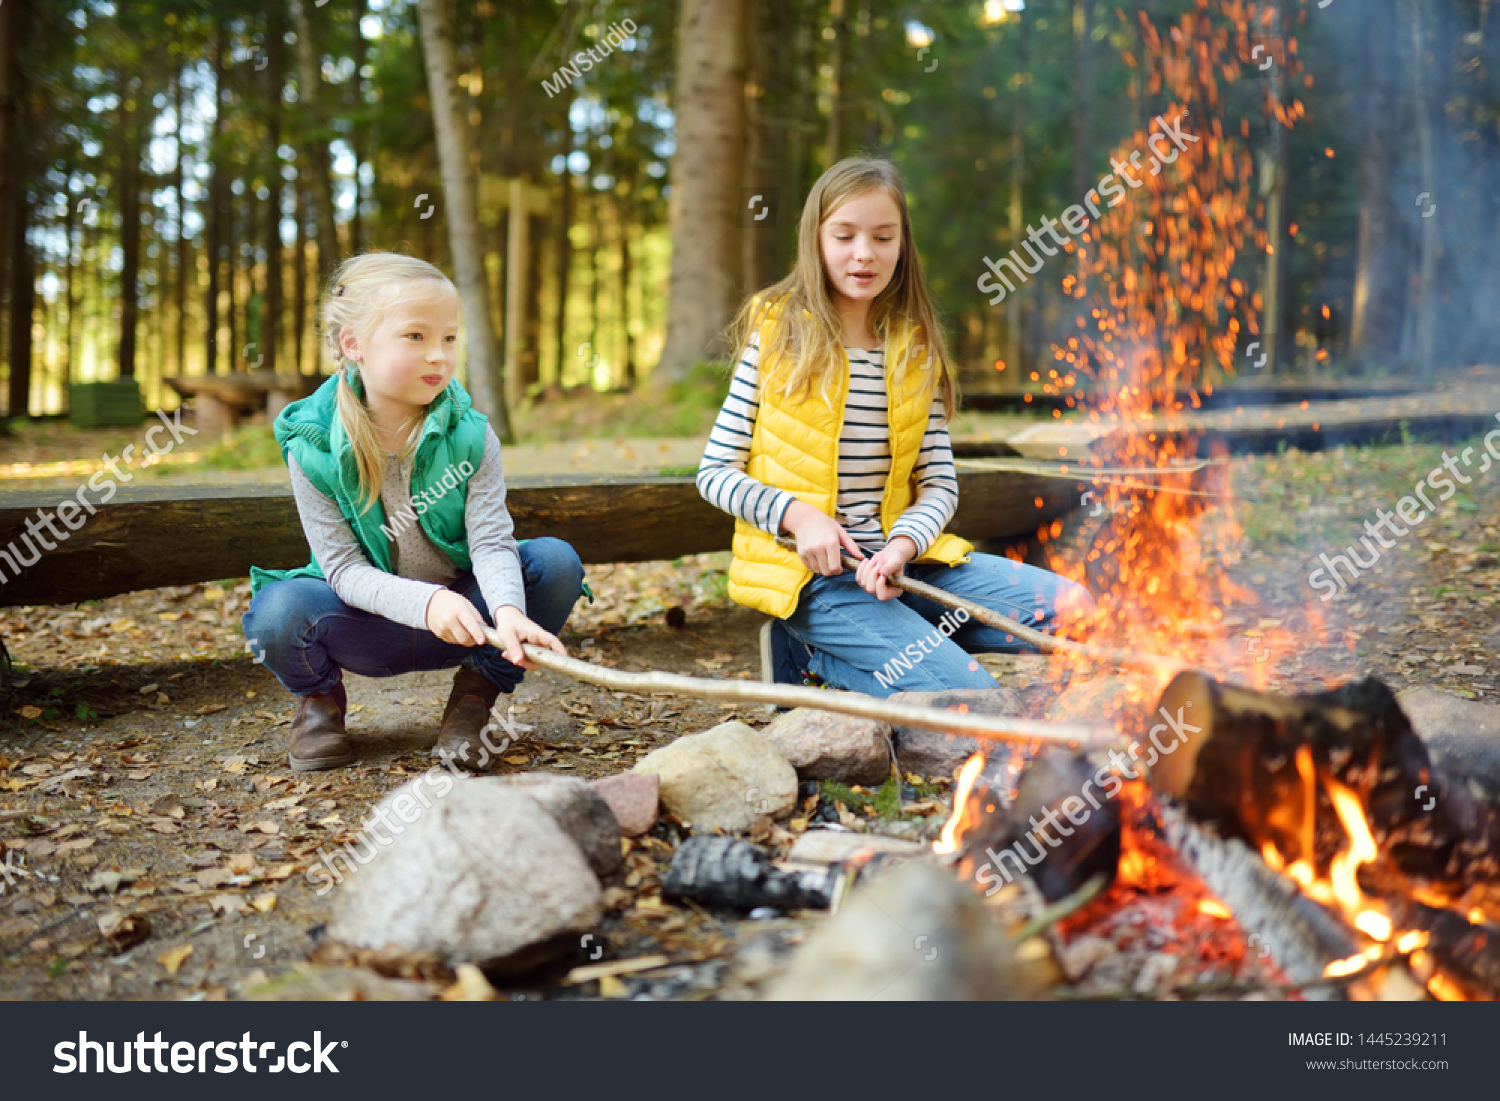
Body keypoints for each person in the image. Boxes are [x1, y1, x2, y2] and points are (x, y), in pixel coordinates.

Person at [696, 157, 1093, 698]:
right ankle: (818, 653)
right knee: (966, 696)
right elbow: (714, 472)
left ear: (902, 244)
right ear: (816, 239)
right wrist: (799, 516)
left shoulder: (914, 350)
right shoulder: (776, 336)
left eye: (883, 237)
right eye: (845, 235)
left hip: (905, 570)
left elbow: (939, 483)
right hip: (815, 582)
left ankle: (884, 645)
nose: (865, 253)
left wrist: (903, 545)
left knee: (1074, 611)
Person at [243, 252, 586, 770]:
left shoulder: (472, 435)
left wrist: (509, 612)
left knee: (555, 563)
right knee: (275, 613)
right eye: (415, 337)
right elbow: (340, 569)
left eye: (448, 338)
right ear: (353, 344)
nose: (438, 356)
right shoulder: (309, 442)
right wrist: (425, 604)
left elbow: (492, 543)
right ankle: (319, 704)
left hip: (469, 619)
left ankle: (472, 704)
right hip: (363, 624)